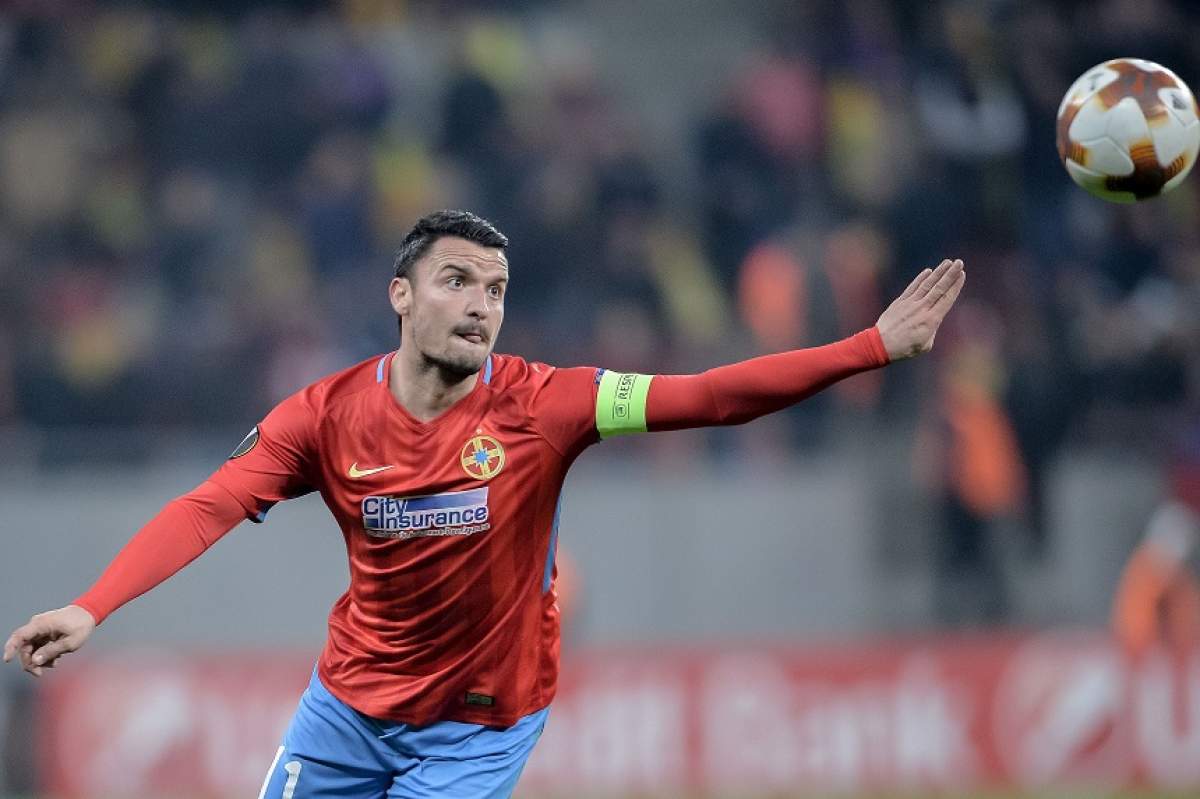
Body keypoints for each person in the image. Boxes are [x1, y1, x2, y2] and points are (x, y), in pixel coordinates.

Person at [4, 210, 965, 799]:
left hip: (479, 726)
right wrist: (92, 605)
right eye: (457, 280)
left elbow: (709, 395)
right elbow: (207, 506)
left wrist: (869, 347)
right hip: (348, 709)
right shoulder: (322, 416)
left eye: (496, 289)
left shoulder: (551, 404)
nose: (480, 304)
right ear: (400, 294)